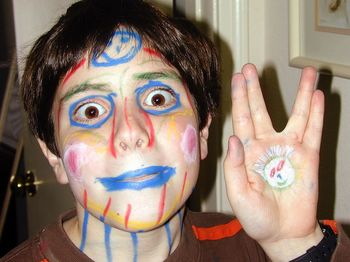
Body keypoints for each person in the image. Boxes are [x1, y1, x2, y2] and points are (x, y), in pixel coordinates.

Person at [2, 0, 350, 261]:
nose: (131, 131)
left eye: (156, 98)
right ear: (54, 154)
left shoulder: (255, 249)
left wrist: (294, 243)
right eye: (91, 110)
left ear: (202, 131)